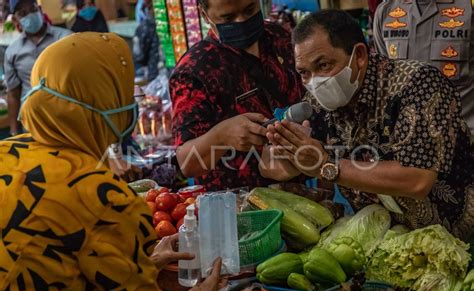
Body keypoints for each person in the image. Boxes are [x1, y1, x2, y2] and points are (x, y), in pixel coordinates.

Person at [0, 32, 225, 291]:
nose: (132, 104)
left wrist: (138, 265)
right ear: (100, 102)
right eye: (121, 92)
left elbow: (43, 258)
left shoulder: (8, 151)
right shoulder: (100, 193)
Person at [262, 10, 474, 241]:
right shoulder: (316, 103)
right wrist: (289, 154)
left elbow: (417, 178)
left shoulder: (418, 85)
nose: (315, 82)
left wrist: (325, 164)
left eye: (324, 65)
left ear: (359, 55)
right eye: (304, 73)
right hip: (388, 242)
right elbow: (272, 165)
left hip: (457, 236)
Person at [170, 0, 307, 191]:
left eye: (249, 10)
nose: (242, 21)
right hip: (237, 208)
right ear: (204, 15)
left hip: (301, 191)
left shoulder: (280, 38)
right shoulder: (193, 71)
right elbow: (186, 163)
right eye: (227, 17)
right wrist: (221, 136)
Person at [373, 0, 474, 137]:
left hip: (462, 141)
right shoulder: (386, 11)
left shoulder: (469, 7)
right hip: (407, 145)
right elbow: (384, 81)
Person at [4, 0, 71, 137]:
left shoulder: (66, 39)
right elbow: (13, 94)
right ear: (16, 20)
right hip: (32, 125)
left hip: (67, 121)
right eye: (23, 13)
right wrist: (14, 132)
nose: (30, 15)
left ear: (40, 10)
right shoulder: (13, 52)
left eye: (33, 9)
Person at [133, 0, 159, 82]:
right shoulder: (173, 21)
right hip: (172, 73)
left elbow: (138, 55)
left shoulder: (145, 27)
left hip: (155, 75)